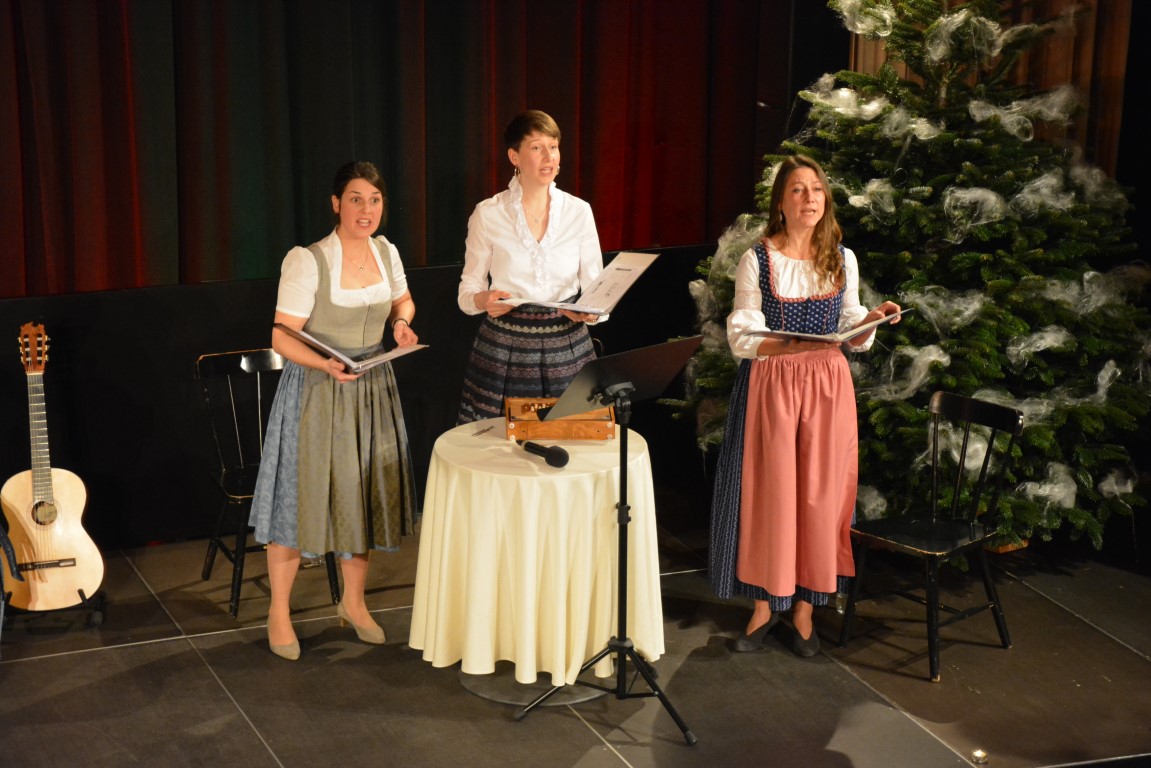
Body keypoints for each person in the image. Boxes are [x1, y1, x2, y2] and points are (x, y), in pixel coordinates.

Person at [708, 154, 901, 657]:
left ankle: (805, 609)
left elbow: (851, 326)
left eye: (816, 189)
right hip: (773, 384)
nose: (809, 198)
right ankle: (763, 605)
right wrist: (787, 345)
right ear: (781, 201)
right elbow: (742, 333)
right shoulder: (758, 259)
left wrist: (873, 318)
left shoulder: (841, 257)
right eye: (797, 189)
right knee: (770, 494)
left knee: (819, 495)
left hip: (826, 387)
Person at [251, 161, 419, 661]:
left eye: (374, 200)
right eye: (355, 199)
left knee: (359, 493)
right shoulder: (309, 261)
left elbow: (404, 302)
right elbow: (281, 336)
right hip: (318, 390)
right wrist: (325, 363)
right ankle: (278, 612)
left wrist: (402, 325)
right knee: (299, 497)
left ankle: (353, 602)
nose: (366, 209)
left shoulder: (386, 252)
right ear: (336, 204)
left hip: (371, 388)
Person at [456, 109, 604, 424]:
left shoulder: (579, 211)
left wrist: (591, 312)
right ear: (514, 156)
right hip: (505, 348)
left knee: (573, 440)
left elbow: (597, 290)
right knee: (501, 445)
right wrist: (484, 300)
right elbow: (468, 290)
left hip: (568, 347)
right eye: (537, 147)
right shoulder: (488, 213)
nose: (548, 157)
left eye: (554, 146)